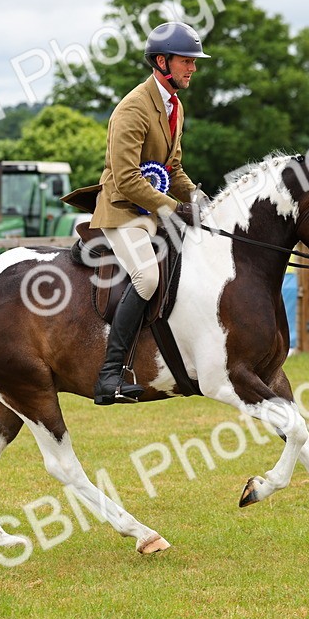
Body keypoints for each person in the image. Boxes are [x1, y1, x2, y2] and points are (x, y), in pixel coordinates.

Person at [62, 21, 207, 405]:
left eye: (194, 62)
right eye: (186, 61)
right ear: (162, 61)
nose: (192, 68)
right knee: (146, 277)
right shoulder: (133, 108)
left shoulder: (175, 105)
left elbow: (171, 169)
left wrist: (197, 198)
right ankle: (109, 376)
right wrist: (176, 208)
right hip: (122, 212)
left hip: (154, 211)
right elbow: (126, 179)